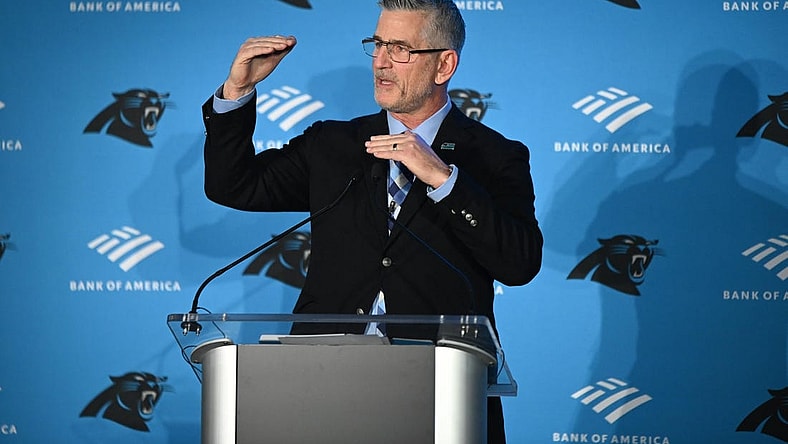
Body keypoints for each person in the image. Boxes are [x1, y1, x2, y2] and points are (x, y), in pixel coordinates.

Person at [201, 0, 543, 441]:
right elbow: (234, 186)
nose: (380, 62)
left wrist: (443, 179)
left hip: (442, 394)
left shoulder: (494, 156)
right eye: (377, 44)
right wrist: (237, 91)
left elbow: (519, 264)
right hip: (320, 384)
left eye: (400, 49)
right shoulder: (333, 144)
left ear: (444, 65)